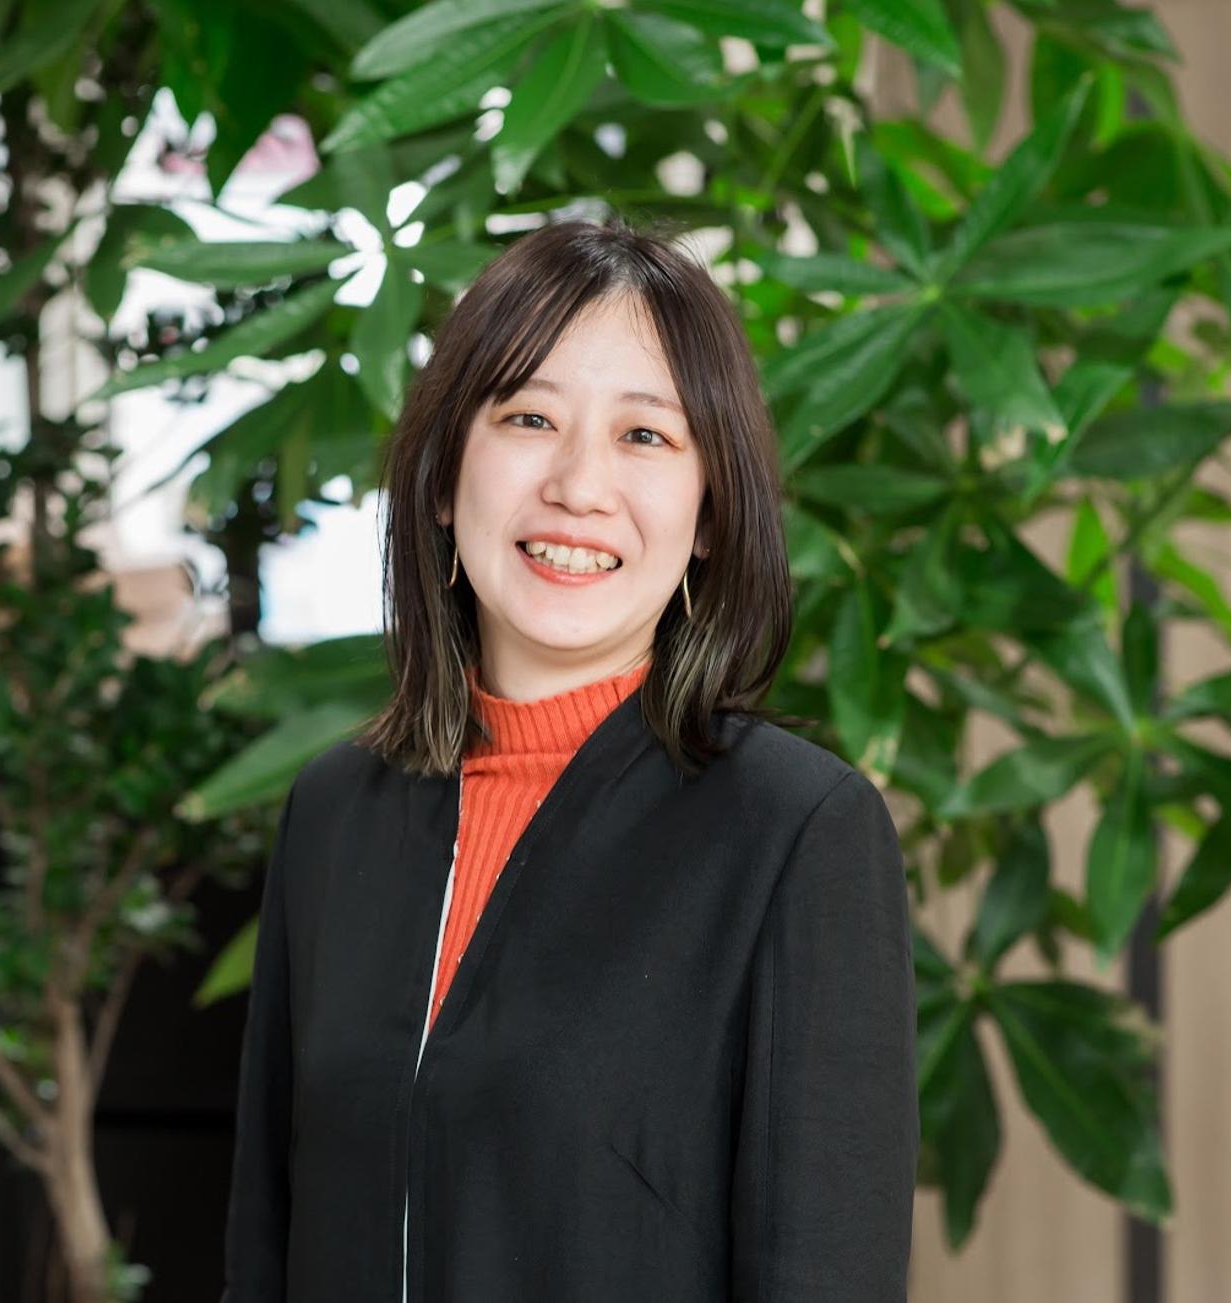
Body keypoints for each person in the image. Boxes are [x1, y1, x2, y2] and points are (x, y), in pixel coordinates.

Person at [220, 215, 917, 1302]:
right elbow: (264, 1251)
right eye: (530, 417)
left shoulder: (795, 834)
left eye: (645, 435)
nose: (580, 485)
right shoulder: (337, 812)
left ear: (707, 516)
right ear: (442, 479)